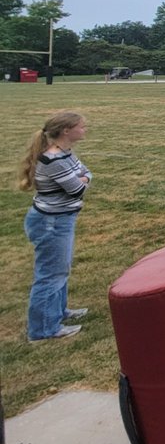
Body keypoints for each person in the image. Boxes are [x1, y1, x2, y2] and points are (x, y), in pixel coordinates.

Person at [20, 111, 92, 341]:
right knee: (50, 274)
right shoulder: (54, 159)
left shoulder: (65, 153)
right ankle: (43, 329)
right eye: (81, 126)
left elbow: (85, 173)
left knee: (60, 269)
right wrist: (83, 179)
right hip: (51, 222)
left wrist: (83, 178)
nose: (85, 129)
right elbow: (77, 187)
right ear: (66, 131)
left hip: (61, 218)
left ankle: (58, 312)